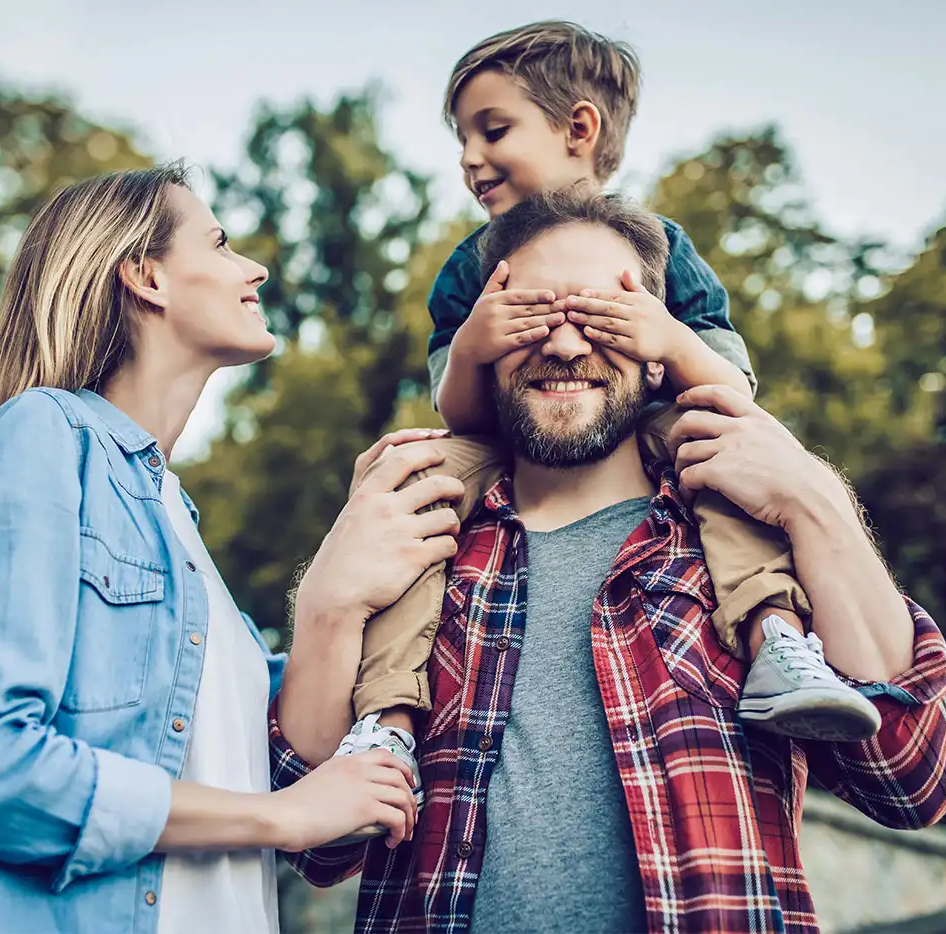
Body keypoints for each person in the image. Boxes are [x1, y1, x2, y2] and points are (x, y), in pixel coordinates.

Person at [270, 189, 946, 933]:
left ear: (660, 352)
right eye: (534, 315)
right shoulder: (420, 538)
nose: (566, 346)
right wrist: (326, 606)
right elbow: (318, 849)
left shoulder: (740, 544)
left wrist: (816, 503)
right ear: (482, 342)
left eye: (600, 316)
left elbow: (910, 780)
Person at [0, 163, 464, 934]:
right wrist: (281, 818)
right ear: (146, 277)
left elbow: (290, 772)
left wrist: (336, 592)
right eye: (222, 242)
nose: (255, 268)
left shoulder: (174, 518)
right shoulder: (45, 435)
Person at [332, 22, 878, 799]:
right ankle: (387, 716)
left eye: (493, 130)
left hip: (648, 427)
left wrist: (667, 337)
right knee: (416, 483)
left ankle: (776, 638)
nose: (468, 159)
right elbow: (460, 416)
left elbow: (730, 389)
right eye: (461, 139)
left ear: (579, 129)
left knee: (724, 456)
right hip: (514, 441)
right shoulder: (471, 268)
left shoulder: (659, 245)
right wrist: (472, 351)